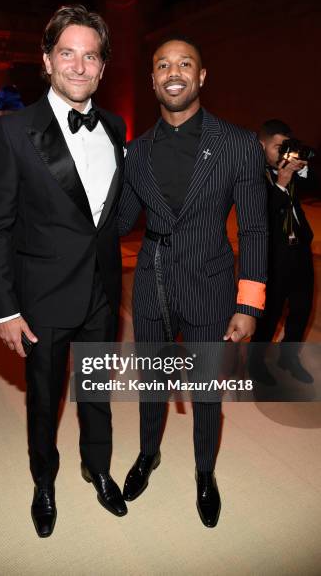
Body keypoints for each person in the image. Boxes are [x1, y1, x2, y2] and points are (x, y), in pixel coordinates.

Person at [0, 5, 127, 538]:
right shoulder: (13, 131)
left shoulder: (115, 125)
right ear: (47, 60)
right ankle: (45, 481)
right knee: (44, 398)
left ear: (103, 67)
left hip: (103, 293)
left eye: (91, 56)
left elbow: (111, 213)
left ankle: (98, 468)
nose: (80, 66)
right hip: (40, 296)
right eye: (68, 53)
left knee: (96, 391)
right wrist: (4, 309)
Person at [118, 36, 268, 527]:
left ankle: (205, 472)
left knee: (206, 390)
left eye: (185, 63)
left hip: (211, 284)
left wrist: (248, 304)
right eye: (163, 64)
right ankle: (147, 455)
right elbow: (118, 223)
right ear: (153, 79)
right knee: (152, 381)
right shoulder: (135, 153)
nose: (174, 71)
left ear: (201, 76)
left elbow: (253, 227)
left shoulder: (239, 145)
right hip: (152, 282)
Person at [250, 119, 314, 384]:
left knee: (301, 310)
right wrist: (281, 183)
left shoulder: (289, 170)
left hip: (300, 251)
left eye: (286, 146)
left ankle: (288, 357)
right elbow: (262, 216)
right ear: (261, 145)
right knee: (269, 315)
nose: (283, 153)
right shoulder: (252, 174)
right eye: (278, 147)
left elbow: (313, 191)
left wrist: (300, 172)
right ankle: (255, 363)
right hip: (272, 255)